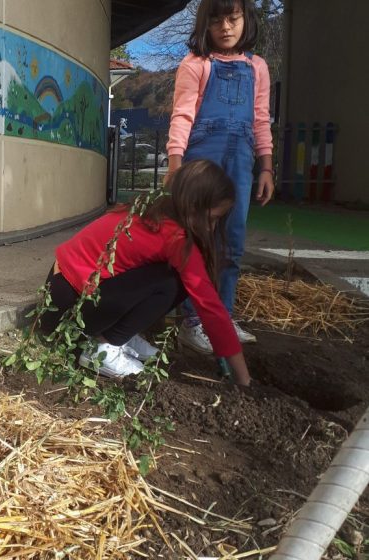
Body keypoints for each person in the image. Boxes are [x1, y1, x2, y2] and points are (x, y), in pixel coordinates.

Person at [39, 160, 252, 387]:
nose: (211, 228)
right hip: (66, 312)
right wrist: (244, 379)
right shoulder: (175, 238)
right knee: (172, 282)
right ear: (192, 207)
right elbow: (210, 306)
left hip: (59, 293)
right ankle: (102, 349)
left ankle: (118, 336)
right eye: (212, 219)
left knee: (167, 276)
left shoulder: (154, 209)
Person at [166, 0, 275, 354]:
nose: (226, 26)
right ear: (205, 23)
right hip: (201, 163)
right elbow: (182, 116)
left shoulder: (257, 68)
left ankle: (222, 318)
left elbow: (261, 120)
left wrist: (267, 167)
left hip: (241, 164)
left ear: (245, 19)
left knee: (232, 242)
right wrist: (175, 166)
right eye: (217, 19)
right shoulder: (196, 64)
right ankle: (193, 321)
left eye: (233, 18)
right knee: (198, 240)